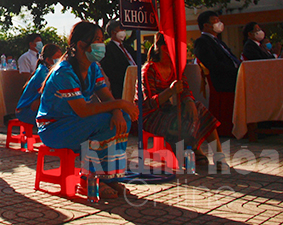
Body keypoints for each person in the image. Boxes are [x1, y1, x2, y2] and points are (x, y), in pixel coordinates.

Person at [36, 21, 138, 199]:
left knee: (122, 120)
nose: (101, 44)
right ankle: (87, 178)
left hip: (77, 124)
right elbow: (83, 110)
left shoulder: (93, 67)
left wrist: (117, 110)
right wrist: (120, 104)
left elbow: (107, 98)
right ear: (82, 45)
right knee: (105, 122)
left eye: (101, 39)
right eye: (97, 40)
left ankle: (108, 177)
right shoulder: (64, 72)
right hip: (54, 129)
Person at [141, 33, 228, 169]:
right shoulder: (149, 70)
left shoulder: (175, 68)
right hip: (151, 115)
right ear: (165, 48)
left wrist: (189, 102)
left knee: (198, 109)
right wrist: (169, 91)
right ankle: (193, 149)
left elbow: (185, 89)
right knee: (180, 121)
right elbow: (148, 104)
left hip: (168, 110)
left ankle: (218, 156)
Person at [193, 11, 241, 92]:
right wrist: (235, 71)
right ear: (206, 25)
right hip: (225, 81)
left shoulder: (219, 42)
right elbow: (213, 65)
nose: (219, 23)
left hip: (235, 76)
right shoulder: (202, 42)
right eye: (215, 20)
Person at [16, 44, 62, 124]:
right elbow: (49, 94)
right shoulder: (43, 73)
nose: (60, 60)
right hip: (26, 111)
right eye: (57, 58)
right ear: (48, 60)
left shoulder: (50, 71)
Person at [100, 20, 136, 99]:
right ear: (113, 32)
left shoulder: (128, 48)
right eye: (121, 29)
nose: (123, 32)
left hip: (136, 83)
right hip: (122, 88)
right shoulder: (108, 50)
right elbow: (111, 71)